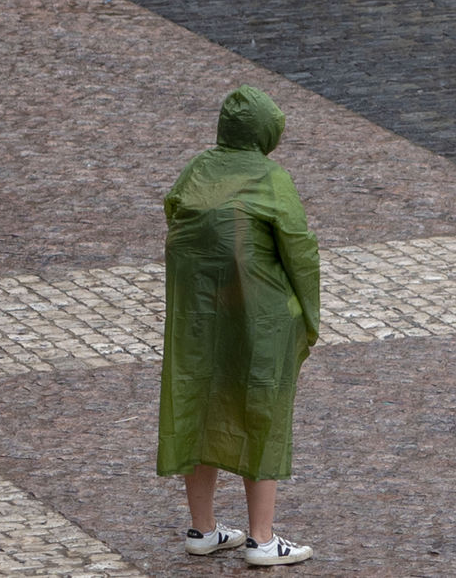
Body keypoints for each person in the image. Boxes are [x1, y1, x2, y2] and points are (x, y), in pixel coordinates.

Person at [157, 85, 320, 566]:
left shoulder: (199, 170)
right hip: (258, 315)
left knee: (201, 402)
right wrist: (303, 311)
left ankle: (203, 530)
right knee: (260, 409)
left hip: (199, 314)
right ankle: (263, 540)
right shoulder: (270, 178)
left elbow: (177, 217)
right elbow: (298, 246)